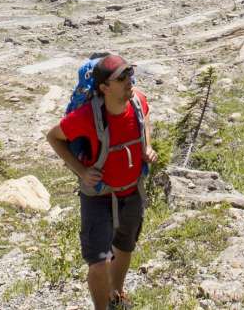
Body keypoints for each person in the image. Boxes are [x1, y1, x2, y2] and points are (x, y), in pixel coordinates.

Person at [46, 54, 157, 310]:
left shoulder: (138, 101)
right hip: (98, 195)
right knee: (98, 261)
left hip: (132, 190)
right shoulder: (87, 116)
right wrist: (81, 171)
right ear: (104, 88)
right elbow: (54, 137)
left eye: (129, 73)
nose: (129, 80)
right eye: (121, 77)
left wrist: (147, 146)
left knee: (124, 246)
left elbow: (146, 116)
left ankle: (117, 294)